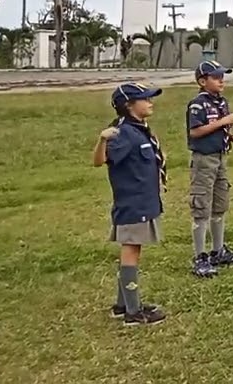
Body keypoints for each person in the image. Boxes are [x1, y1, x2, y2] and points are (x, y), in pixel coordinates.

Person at [94, 83, 168, 326]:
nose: (150, 102)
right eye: (145, 99)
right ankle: (133, 312)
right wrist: (102, 141)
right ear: (129, 105)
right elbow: (101, 160)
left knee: (133, 248)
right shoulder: (123, 132)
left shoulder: (140, 129)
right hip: (132, 202)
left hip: (145, 200)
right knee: (131, 249)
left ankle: (122, 304)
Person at [184, 60, 233, 278]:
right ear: (202, 81)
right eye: (216, 77)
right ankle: (200, 256)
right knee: (202, 206)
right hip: (204, 159)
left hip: (220, 157)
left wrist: (229, 136)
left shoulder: (221, 102)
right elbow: (196, 132)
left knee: (220, 204)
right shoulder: (197, 104)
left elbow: (220, 128)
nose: (221, 81)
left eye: (222, 77)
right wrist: (222, 123)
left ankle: (218, 250)